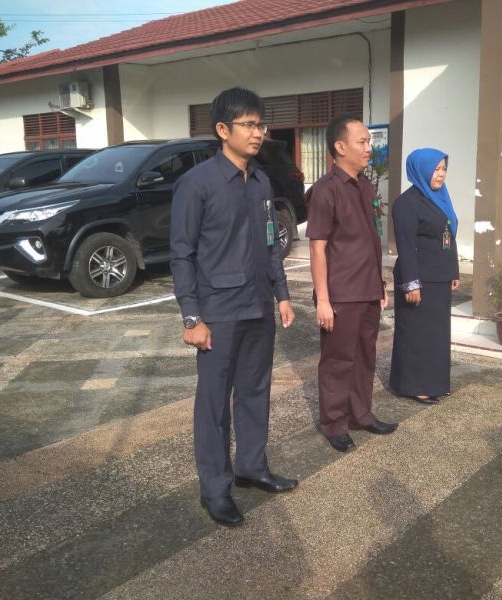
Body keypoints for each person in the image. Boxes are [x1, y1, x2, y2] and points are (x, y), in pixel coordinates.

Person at [170, 87, 297, 527]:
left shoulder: (261, 181)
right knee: (213, 404)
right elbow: (182, 254)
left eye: (261, 125)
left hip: (258, 306)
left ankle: (252, 467)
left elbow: (271, 243)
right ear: (223, 130)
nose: (258, 133)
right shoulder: (197, 184)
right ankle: (216, 489)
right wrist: (192, 316)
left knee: (256, 391)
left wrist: (282, 294)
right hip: (219, 312)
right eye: (249, 125)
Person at [306, 114, 398, 453]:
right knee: (337, 361)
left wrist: (380, 283)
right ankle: (334, 423)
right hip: (341, 293)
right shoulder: (325, 191)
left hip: (368, 288)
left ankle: (361, 413)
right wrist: (323, 300)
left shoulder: (365, 185)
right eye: (362, 142)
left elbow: (370, 239)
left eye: (368, 141)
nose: (368, 148)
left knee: (364, 356)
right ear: (340, 147)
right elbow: (317, 248)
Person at [389, 148, 460, 404]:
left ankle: (434, 383)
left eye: (444, 169)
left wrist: (453, 271)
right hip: (418, 278)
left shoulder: (440, 198)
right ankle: (412, 385)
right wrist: (411, 284)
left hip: (439, 278)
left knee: (435, 335)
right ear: (420, 170)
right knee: (415, 333)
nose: (441, 174)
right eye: (435, 169)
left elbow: (448, 237)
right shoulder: (407, 203)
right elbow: (406, 247)